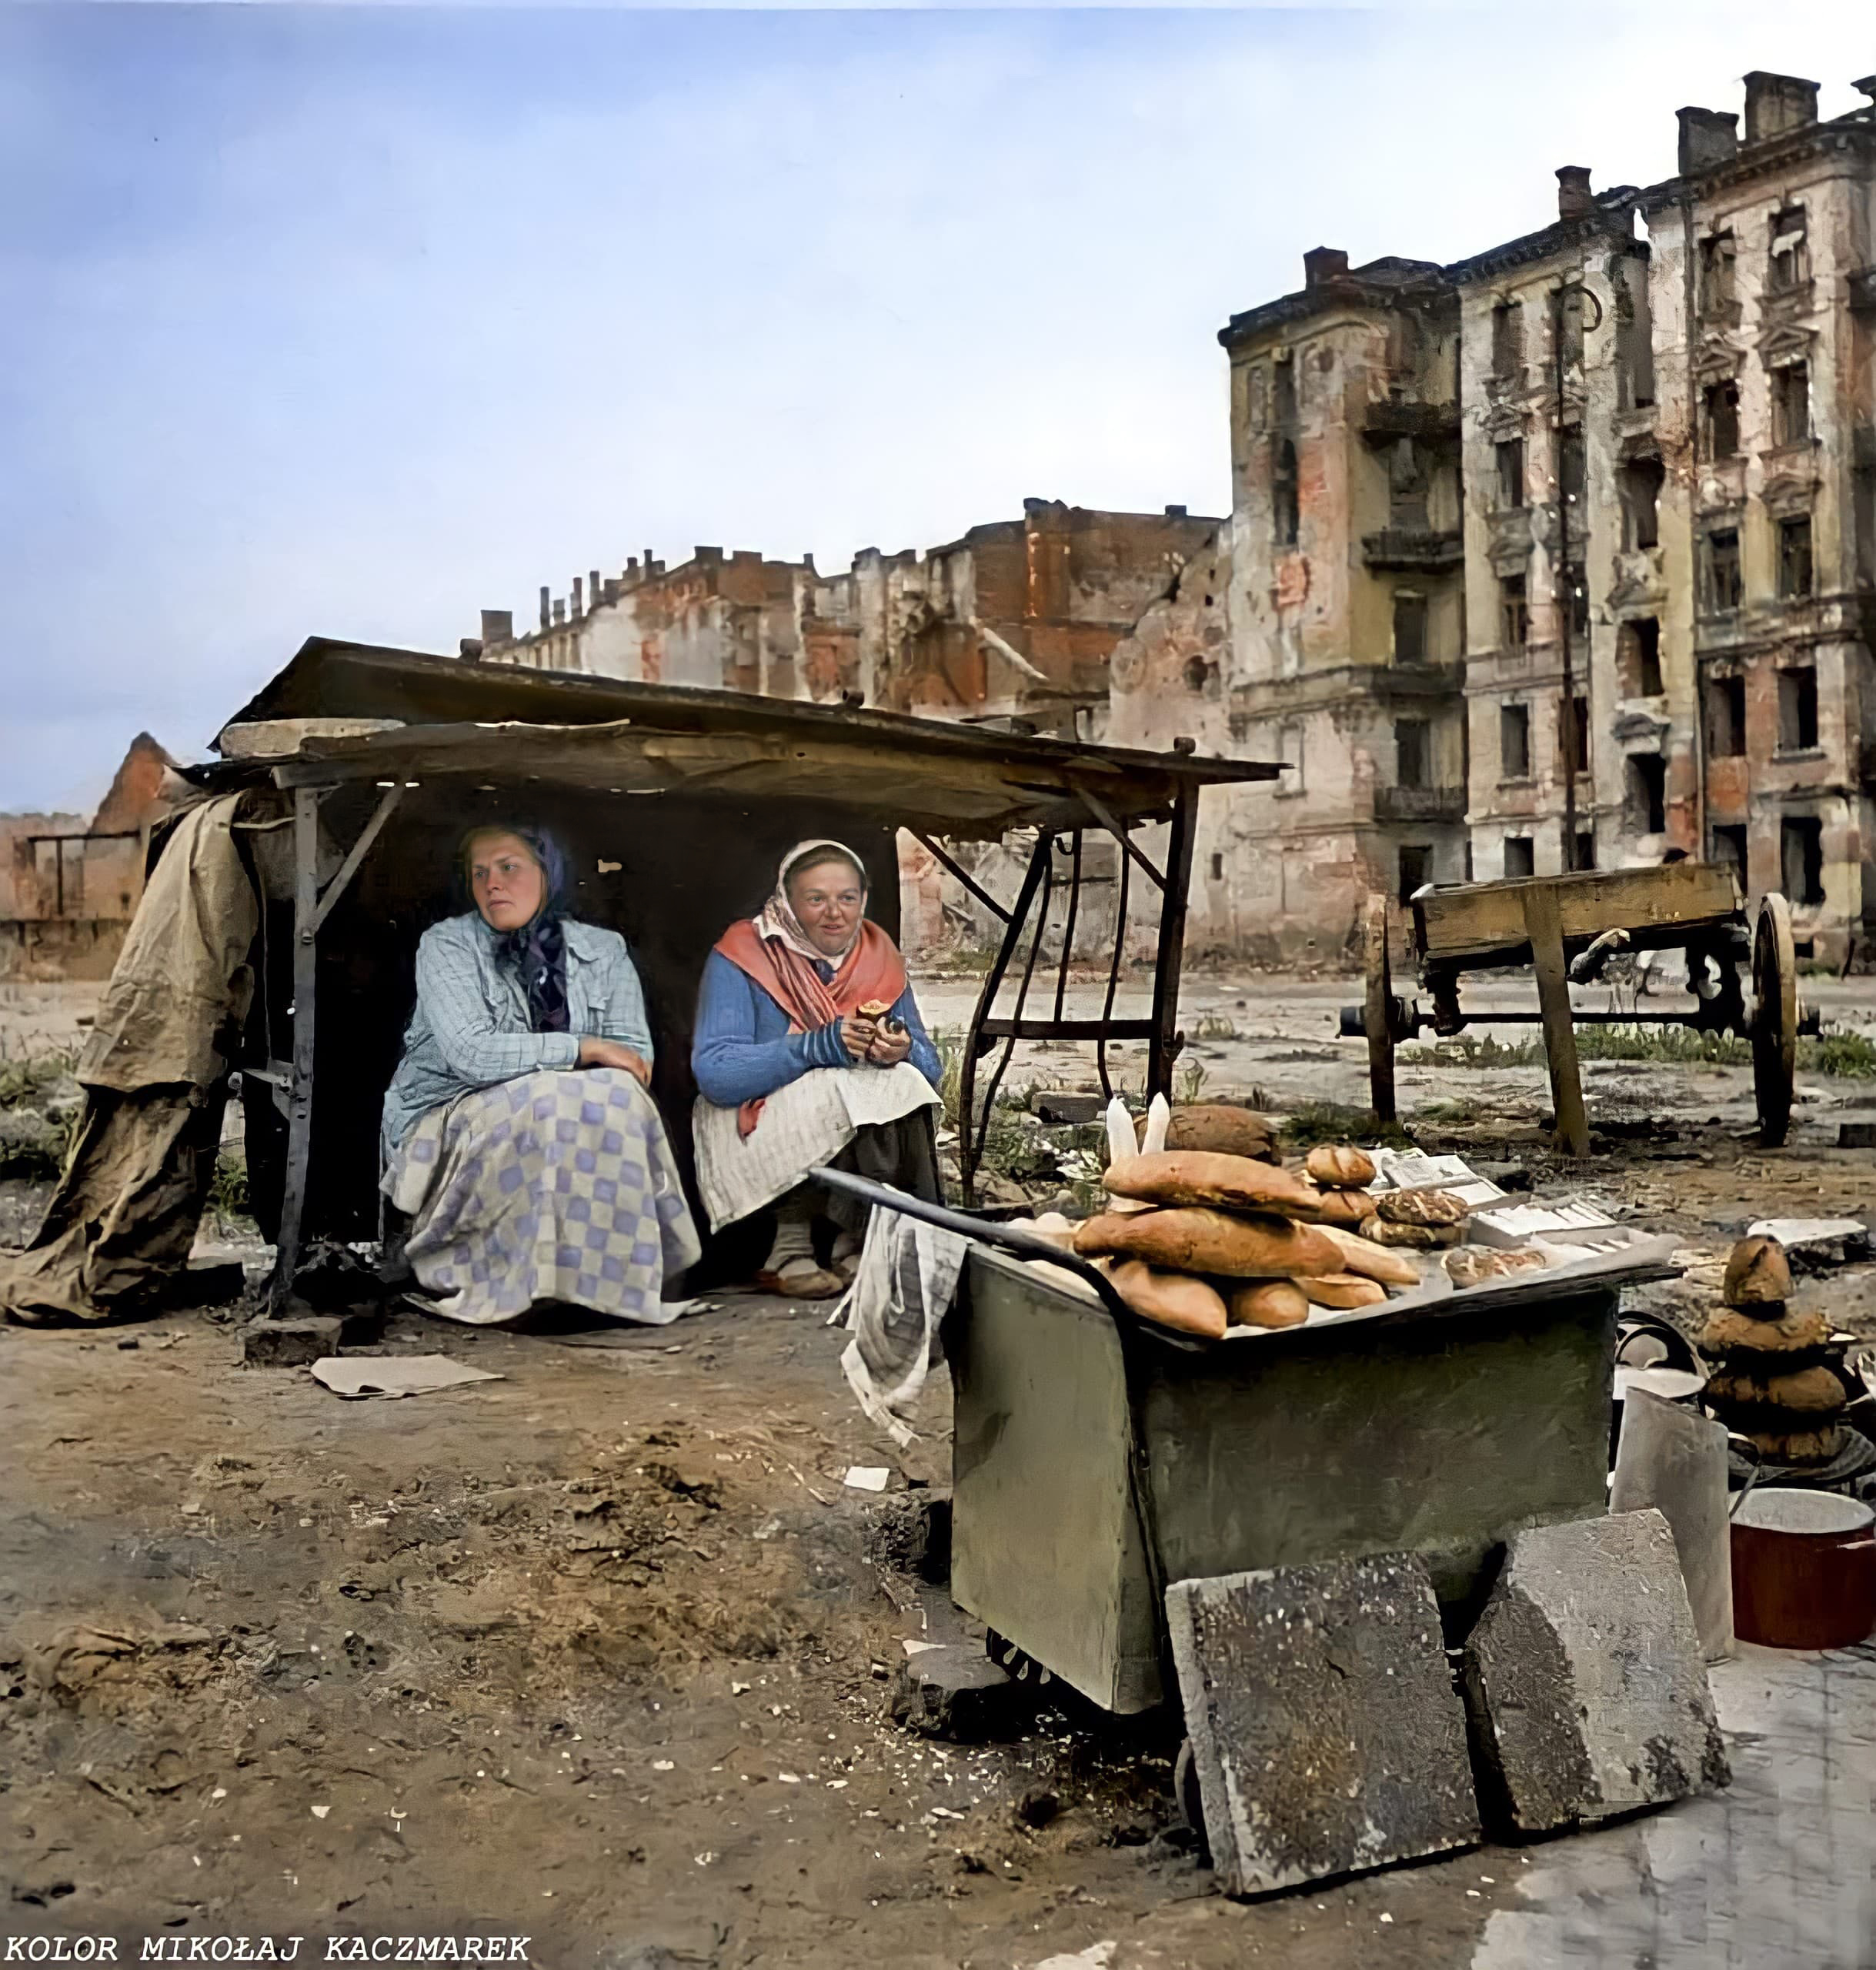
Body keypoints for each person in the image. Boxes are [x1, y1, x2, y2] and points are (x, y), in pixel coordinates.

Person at [379, 824, 699, 1325]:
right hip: (449, 1112)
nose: (492, 884)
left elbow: (635, 1058)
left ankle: (608, 1282)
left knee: (616, 1093)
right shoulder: (447, 946)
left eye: (509, 868)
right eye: (479, 873)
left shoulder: (603, 950)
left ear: (550, 875)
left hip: (569, 1110)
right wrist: (581, 1049)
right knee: (549, 1099)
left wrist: (585, 1068)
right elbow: (473, 1055)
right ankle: (517, 1281)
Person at [691, 839, 943, 1297]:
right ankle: (788, 1244)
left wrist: (902, 1050)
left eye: (847, 897)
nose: (834, 913)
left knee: (898, 1081)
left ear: (863, 899)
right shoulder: (741, 955)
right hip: (755, 1112)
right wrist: (818, 1044)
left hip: (843, 1114)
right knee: (839, 1084)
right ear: (786, 901)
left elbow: (931, 1068)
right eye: (815, 898)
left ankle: (858, 1238)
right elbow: (717, 1073)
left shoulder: (878, 953)